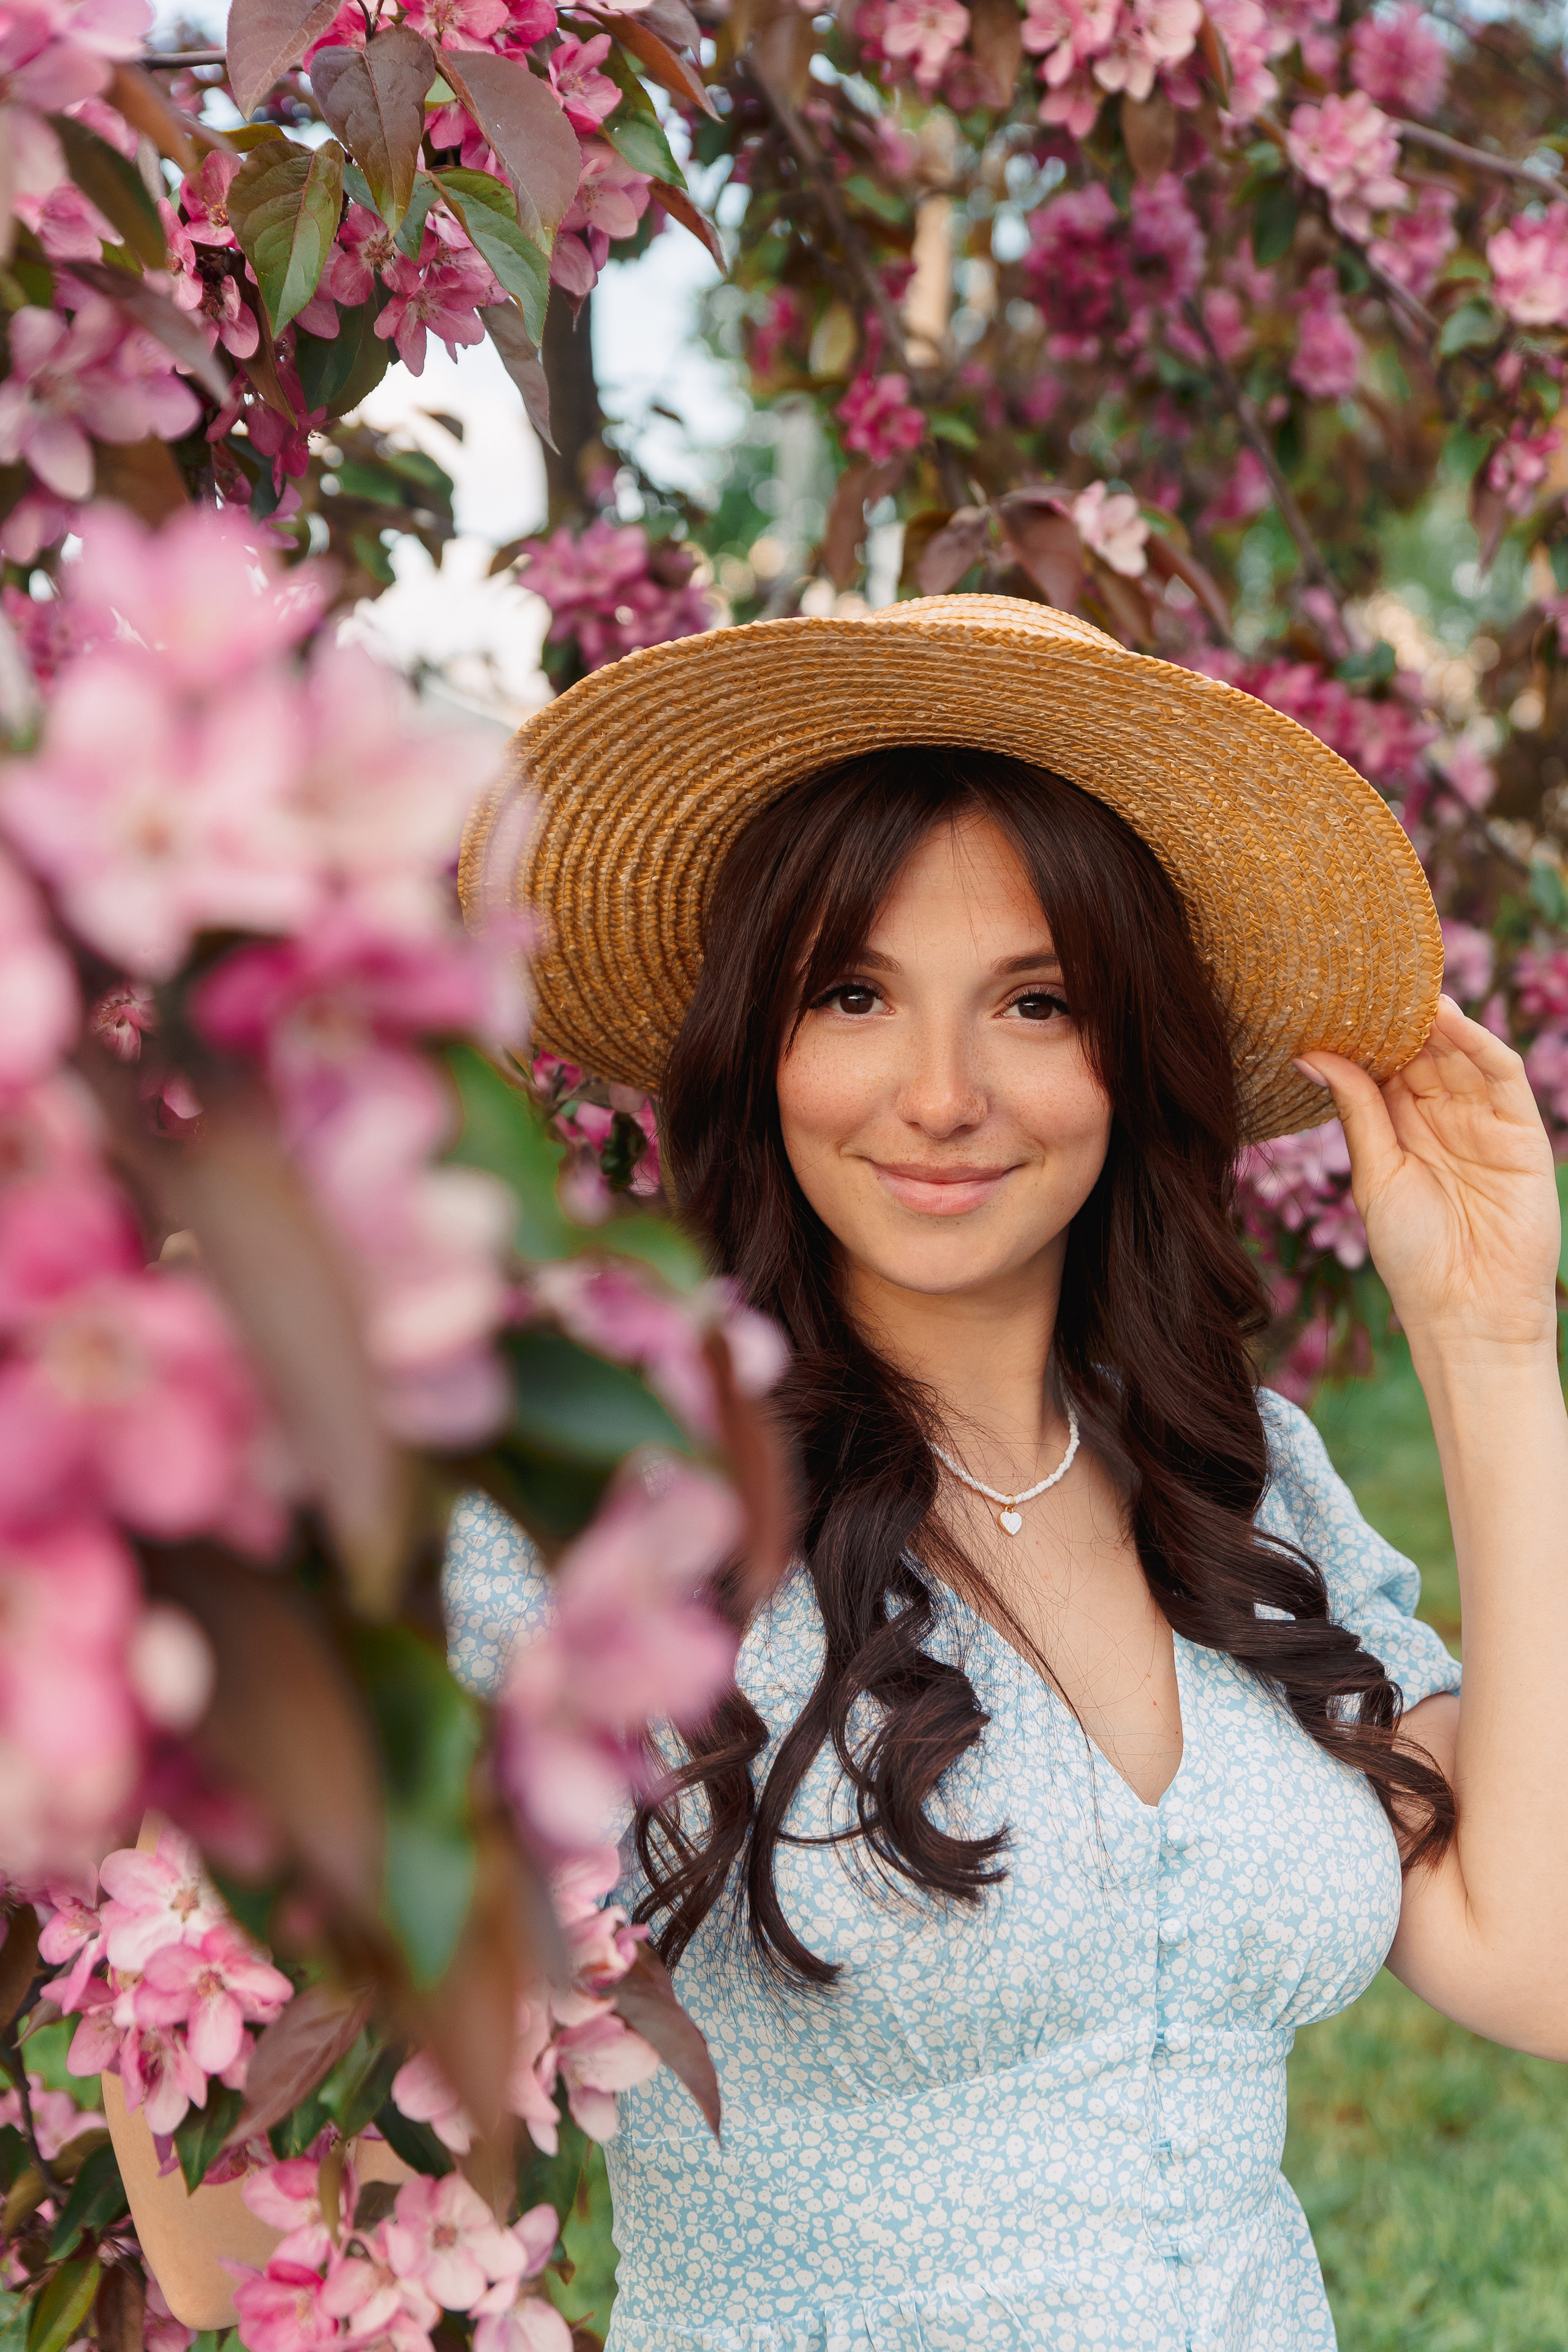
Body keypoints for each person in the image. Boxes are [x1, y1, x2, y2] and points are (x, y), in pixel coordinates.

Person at [451, 594, 1568, 2350]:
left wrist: (1490, 1348)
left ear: (1131, 1057)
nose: (946, 1092)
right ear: (763, 1043)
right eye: (855, 992)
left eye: (1035, 1002)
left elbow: (1539, 1960)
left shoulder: (1244, 1480)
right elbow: (239, 2246)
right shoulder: (584, 1512)